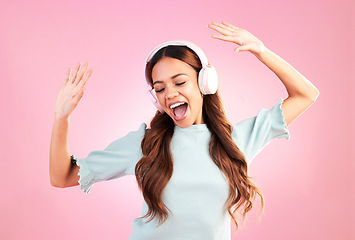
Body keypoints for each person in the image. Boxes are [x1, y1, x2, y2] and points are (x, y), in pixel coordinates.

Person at [50, 22, 319, 240]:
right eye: (159, 88)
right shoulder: (144, 144)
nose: (170, 94)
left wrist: (261, 51)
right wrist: (62, 117)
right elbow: (62, 177)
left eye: (179, 82)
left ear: (205, 82)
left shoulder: (237, 141)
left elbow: (306, 94)